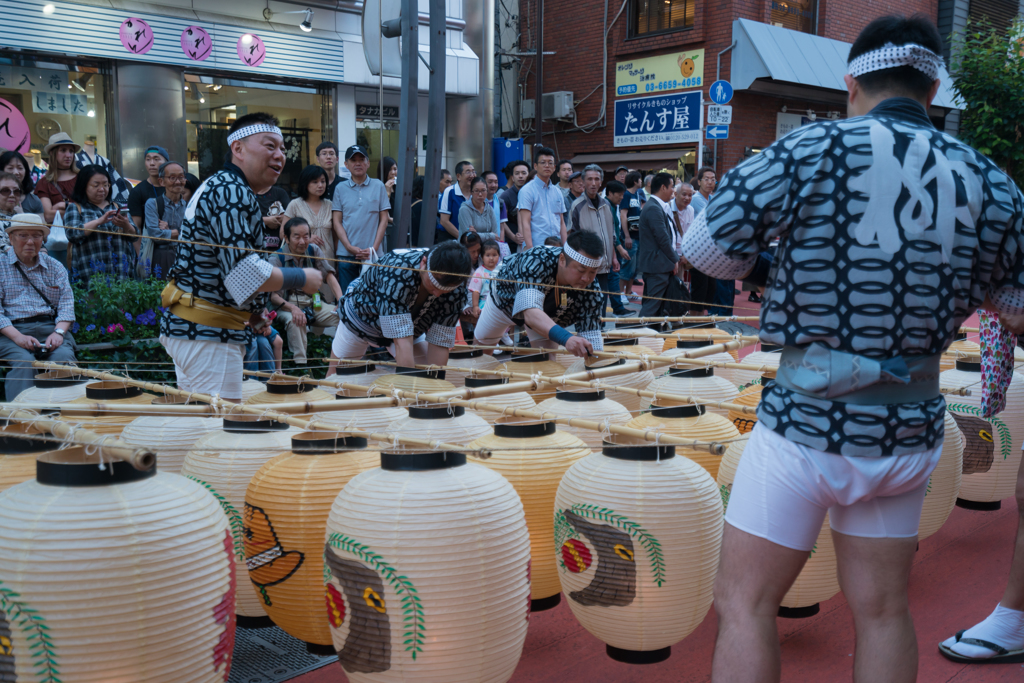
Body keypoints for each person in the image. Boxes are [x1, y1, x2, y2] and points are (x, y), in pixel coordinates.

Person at [675, 16, 1024, 683]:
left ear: (851, 83)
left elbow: (703, 250)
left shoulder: (810, 149)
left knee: (745, 602)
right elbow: (1015, 307)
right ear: (930, 90)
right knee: (885, 609)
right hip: (907, 427)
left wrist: (777, 273)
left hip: (807, 422)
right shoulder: (990, 180)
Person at [159, 112, 323, 402]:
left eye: (283, 149)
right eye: (269, 146)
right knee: (219, 429)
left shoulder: (226, 186)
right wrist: (302, 277)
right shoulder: (230, 190)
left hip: (202, 329)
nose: (280, 156)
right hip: (206, 333)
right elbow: (243, 272)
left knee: (205, 426)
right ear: (238, 149)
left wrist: (252, 313)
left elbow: (225, 271)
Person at [327, 241, 473, 371]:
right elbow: (401, 342)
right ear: (423, 262)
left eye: (445, 291)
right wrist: (407, 389)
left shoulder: (458, 289)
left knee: (425, 373)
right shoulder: (396, 271)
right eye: (434, 286)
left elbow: (439, 342)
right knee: (336, 377)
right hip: (360, 319)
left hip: (413, 329)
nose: (437, 294)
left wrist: (436, 388)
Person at [473, 231, 606, 357]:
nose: (586, 279)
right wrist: (567, 338)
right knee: (480, 356)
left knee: (548, 362)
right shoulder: (537, 259)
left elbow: (593, 341)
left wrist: (595, 368)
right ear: (562, 259)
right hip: (503, 302)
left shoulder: (592, 289)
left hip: (545, 316)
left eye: (593, 272)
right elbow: (530, 313)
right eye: (581, 271)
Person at [0, 213, 77, 401]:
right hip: (11, 331)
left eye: (36, 236)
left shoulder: (55, 267)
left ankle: (62, 415)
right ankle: (22, 418)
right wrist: (18, 337)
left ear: (43, 239)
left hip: (50, 328)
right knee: (24, 362)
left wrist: (58, 333)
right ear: (11, 238)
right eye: (23, 235)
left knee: (63, 358)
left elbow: (66, 305)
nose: (30, 241)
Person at [269, 216, 342, 365]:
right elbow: (273, 296)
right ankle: (301, 367)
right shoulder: (276, 258)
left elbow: (329, 276)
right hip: (285, 305)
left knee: (345, 317)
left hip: (313, 303)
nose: (302, 242)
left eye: (306, 236)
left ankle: (339, 361)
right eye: (297, 237)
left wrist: (342, 301)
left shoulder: (313, 250)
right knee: (296, 320)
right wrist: (293, 308)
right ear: (287, 238)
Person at [569, 164, 629, 317]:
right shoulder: (577, 206)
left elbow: (612, 233)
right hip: (586, 266)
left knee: (601, 301)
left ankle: (599, 333)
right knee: (587, 303)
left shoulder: (607, 204)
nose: (593, 183)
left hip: (605, 265)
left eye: (596, 179)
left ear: (601, 182)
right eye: (589, 179)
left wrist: (614, 257)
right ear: (583, 182)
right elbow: (571, 236)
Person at [64, 165, 139, 284]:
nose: (102, 189)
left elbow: (135, 235)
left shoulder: (117, 206)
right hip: (90, 277)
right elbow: (72, 234)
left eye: (105, 185)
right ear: (83, 186)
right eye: (96, 185)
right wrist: (98, 221)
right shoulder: (75, 208)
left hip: (121, 275)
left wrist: (126, 225)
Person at [331, 144, 390, 293]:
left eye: (362, 159)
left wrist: (374, 248)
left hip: (373, 255)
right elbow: (337, 221)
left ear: (368, 163)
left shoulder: (378, 186)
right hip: (346, 255)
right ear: (346, 165)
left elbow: (384, 219)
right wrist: (349, 247)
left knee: (373, 298)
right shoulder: (340, 188)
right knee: (348, 297)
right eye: (353, 160)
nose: (358, 163)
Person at [634, 173, 679, 318]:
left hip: (657, 264)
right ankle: (639, 336)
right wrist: (675, 259)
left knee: (656, 306)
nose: (674, 190)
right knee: (652, 306)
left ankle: (650, 336)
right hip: (657, 265)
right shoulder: (653, 208)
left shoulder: (656, 206)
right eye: (672, 187)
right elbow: (663, 239)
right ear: (663, 187)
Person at [142, 161, 187, 279]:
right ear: (161, 181)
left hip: (185, 256)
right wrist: (177, 233)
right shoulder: (153, 204)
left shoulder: (190, 206)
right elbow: (155, 234)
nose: (178, 182)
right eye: (172, 178)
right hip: (161, 256)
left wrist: (169, 232)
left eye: (181, 177)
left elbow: (194, 234)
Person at [516, 147, 566, 249]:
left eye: (550, 163)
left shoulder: (557, 192)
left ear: (554, 167)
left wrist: (565, 248)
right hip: (537, 247)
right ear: (535, 166)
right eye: (543, 162)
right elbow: (525, 222)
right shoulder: (527, 190)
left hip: (557, 247)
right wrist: (530, 249)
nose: (547, 166)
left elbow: (561, 222)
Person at [284, 164, 334, 258]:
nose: (320, 185)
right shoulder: (294, 204)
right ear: (305, 183)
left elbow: (335, 236)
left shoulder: (330, 205)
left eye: (323, 181)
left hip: (329, 258)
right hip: (302, 259)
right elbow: (283, 234)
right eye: (315, 182)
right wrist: (306, 239)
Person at [34, 133, 80, 225]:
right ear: (52, 153)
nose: (68, 155)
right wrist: (78, 209)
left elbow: (91, 209)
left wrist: (63, 205)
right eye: (63, 150)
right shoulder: (44, 183)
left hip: (84, 233)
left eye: (71, 151)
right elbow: (48, 216)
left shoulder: (83, 178)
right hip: (58, 235)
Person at [77, 134, 131, 205]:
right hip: (83, 203)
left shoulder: (104, 161)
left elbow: (115, 182)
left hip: (104, 203)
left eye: (105, 185)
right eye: (96, 185)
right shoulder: (76, 159)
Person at [127, 145, 168, 236]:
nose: (152, 163)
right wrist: (141, 250)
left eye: (156, 159)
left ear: (166, 162)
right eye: (148, 159)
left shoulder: (172, 188)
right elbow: (136, 228)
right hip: (148, 245)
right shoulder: (137, 191)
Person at [618, 171, 644, 304]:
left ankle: (628, 291)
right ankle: (620, 292)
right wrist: (626, 235)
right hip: (630, 236)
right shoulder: (626, 195)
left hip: (638, 235)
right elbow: (623, 215)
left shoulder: (638, 195)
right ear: (635, 181)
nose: (641, 181)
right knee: (627, 264)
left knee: (635, 267)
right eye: (640, 179)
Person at [605, 179, 628, 313]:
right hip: (609, 249)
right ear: (610, 193)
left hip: (612, 248)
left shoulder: (613, 206)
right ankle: (618, 308)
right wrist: (619, 247)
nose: (621, 197)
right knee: (613, 277)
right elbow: (611, 231)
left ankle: (618, 307)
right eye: (619, 194)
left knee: (613, 277)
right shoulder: (607, 206)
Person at [438, 160, 476, 241]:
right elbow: (444, 221)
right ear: (458, 176)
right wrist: (463, 238)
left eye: (473, 172)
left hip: (471, 240)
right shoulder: (450, 191)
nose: (472, 175)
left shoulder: (476, 193)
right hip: (450, 239)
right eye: (468, 172)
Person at [0, 150, 44, 216]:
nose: (16, 172)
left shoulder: (34, 201)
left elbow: (40, 225)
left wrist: (22, 216)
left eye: (20, 168)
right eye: (10, 168)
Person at [458, 176, 501, 241]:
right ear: (471, 192)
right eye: (476, 191)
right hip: (468, 248)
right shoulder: (464, 209)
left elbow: (496, 236)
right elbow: (469, 237)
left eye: (483, 190)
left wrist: (476, 234)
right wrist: (490, 235)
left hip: (486, 249)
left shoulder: (490, 209)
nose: (480, 194)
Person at [254, 178, 291, 253]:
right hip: (255, 248)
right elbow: (242, 219)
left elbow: (290, 215)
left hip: (279, 249)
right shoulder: (248, 193)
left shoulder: (280, 193)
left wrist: (280, 218)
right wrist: (266, 221)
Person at [500, 160, 529, 252]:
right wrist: (513, 237)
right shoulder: (506, 196)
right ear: (512, 178)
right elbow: (501, 220)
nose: (520, 176)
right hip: (511, 244)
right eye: (517, 173)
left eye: (524, 173)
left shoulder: (533, 193)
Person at [469, 239, 501, 315]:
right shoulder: (479, 272)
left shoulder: (501, 270)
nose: (491, 258)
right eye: (488, 255)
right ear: (482, 257)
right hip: (484, 305)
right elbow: (476, 291)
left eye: (494, 255)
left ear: (499, 256)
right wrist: (475, 306)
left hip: (499, 304)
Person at [482, 171, 511, 246]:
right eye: (490, 182)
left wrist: (500, 245)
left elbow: (502, 228)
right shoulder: (475, 202)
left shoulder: (500, 202)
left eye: (496, 182)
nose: (493, 185)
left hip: (496, 245)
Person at [0, 173, 21, 252]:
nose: (12, 195)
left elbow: (41, 247)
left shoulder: (22, 217)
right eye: (5, 191)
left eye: (16, 191)